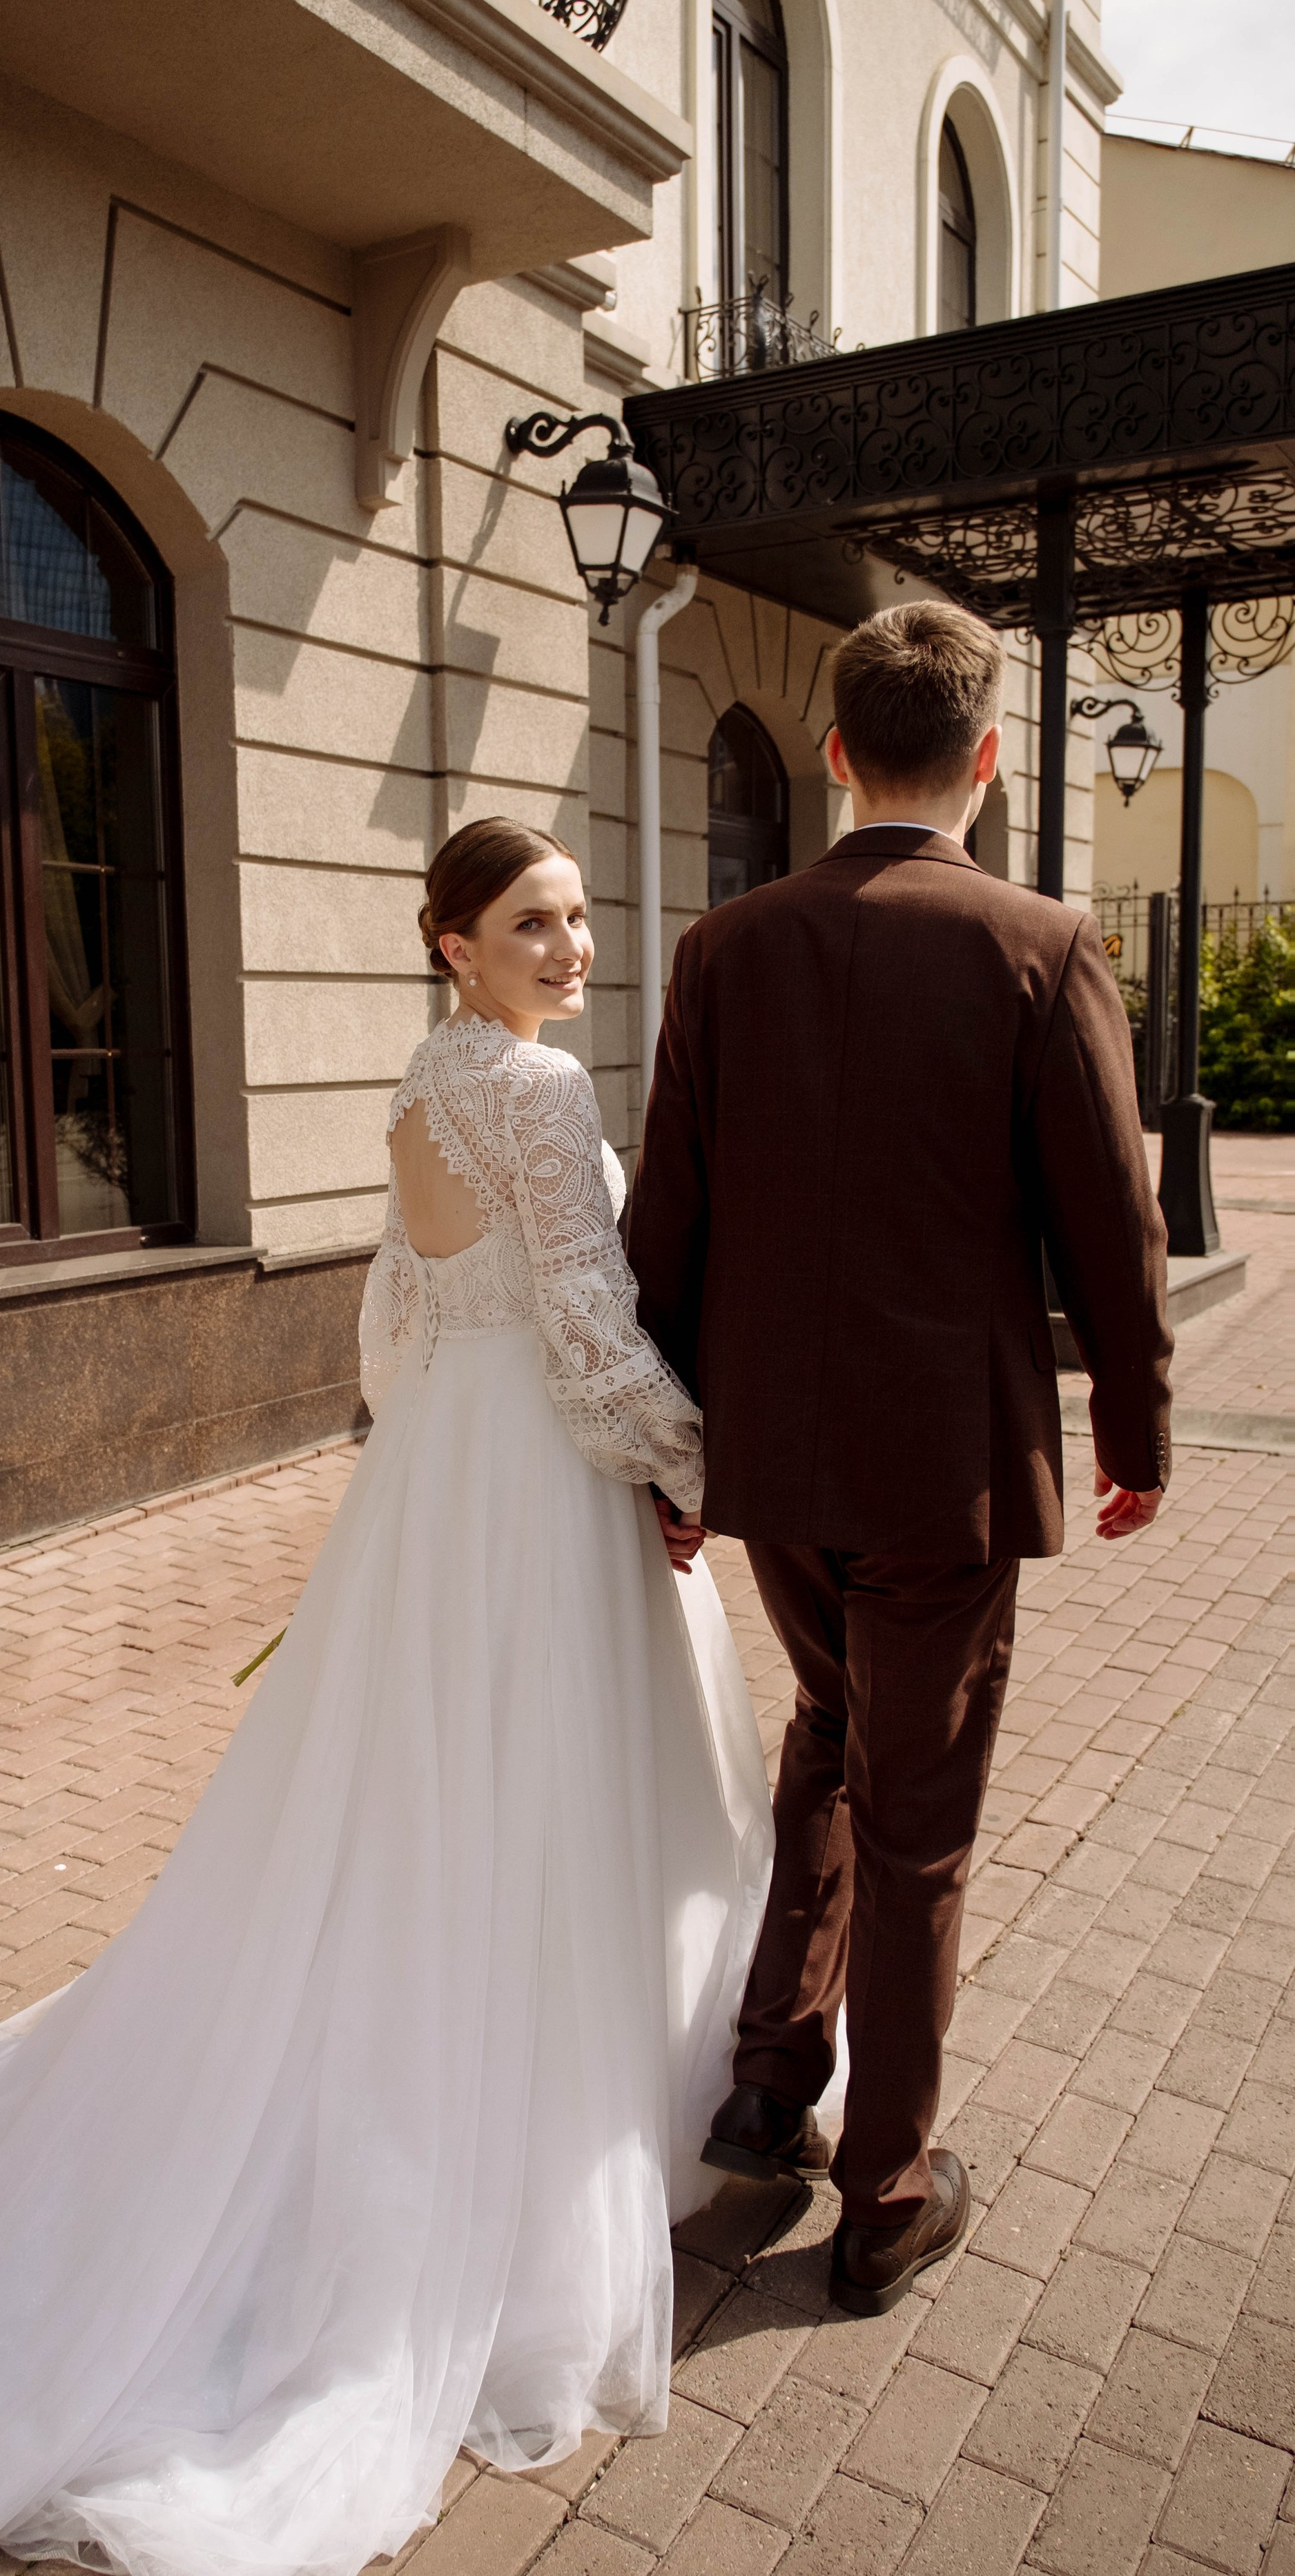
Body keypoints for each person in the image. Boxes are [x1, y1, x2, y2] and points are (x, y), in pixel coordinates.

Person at [0, 817, 775, 2576]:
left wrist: (427, 1459)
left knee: (411, 1800)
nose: (570, 948)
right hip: (536, 1484)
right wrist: (702, 1463)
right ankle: (537, 2121)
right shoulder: (539, 1088)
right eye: (529, 923)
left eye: (576, 919)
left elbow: (393, 1322)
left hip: (435, 1481)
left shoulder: (420, 1091)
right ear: (452, 945)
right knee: (550, 1791)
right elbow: (582, 1325)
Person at [627, 601, 1173, 2320]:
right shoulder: (1034, 941)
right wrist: (1137, 1428)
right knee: (915, 1819)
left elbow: (665, 1228)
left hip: (770, 1459)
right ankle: (885, 2186)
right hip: (940, 1467)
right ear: (989, 758)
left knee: (826, 1740)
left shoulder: (724, 946)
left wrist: (664, 1453)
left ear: (840, 751)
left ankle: (770, 2078)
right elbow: (1113, 1225)